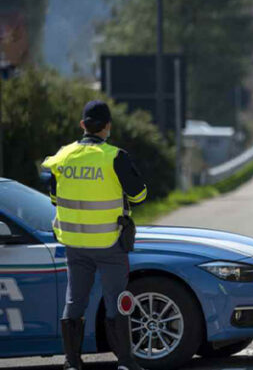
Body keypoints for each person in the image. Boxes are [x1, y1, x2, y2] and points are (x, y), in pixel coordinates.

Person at [42, 100, 148, 370]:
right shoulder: (114, 156)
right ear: (108, 126)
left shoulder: (63, 156)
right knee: (116, 300)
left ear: (82, 125)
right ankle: (125, 361)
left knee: (75, 299)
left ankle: (72, 362)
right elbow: (139, 195)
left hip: (74, 242)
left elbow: (54, 197)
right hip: (109, 242)